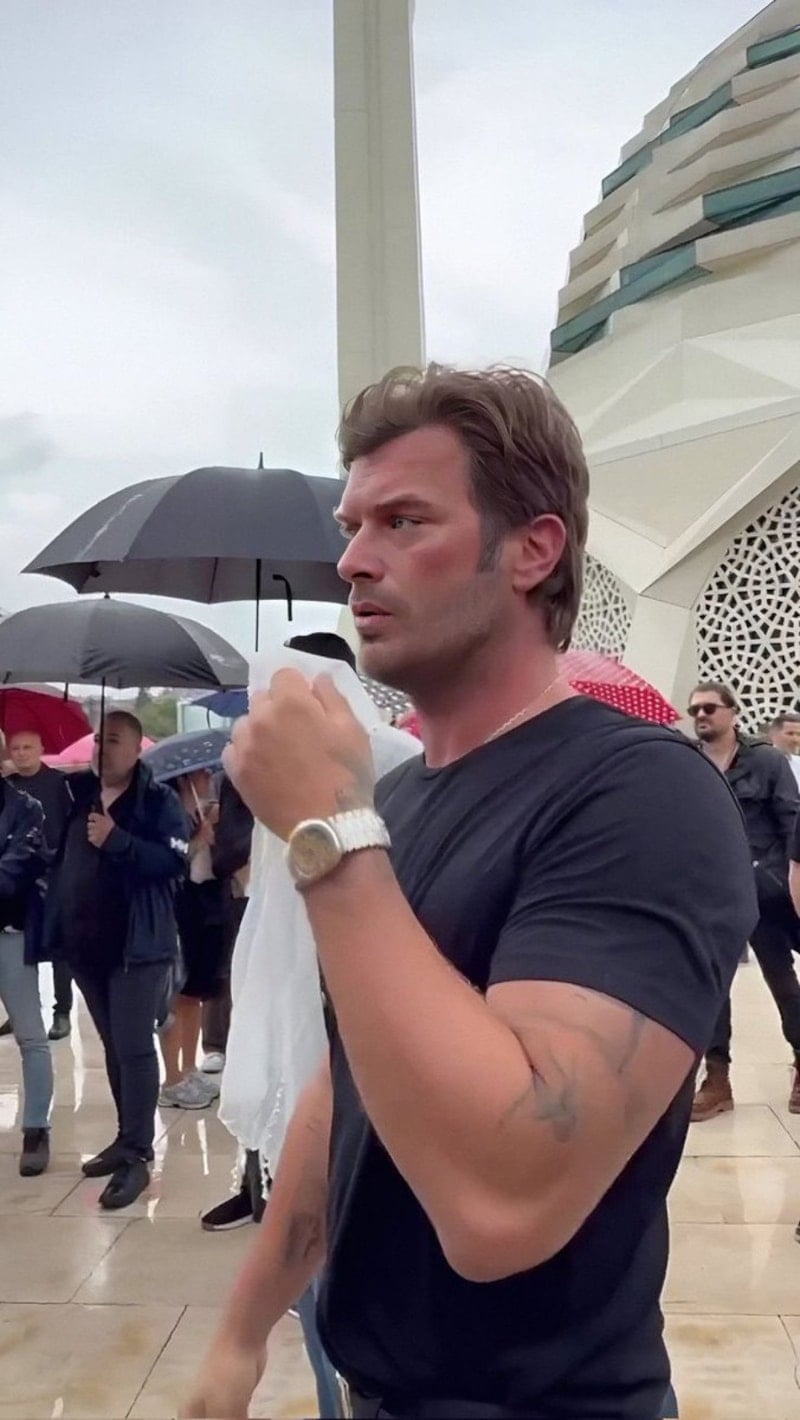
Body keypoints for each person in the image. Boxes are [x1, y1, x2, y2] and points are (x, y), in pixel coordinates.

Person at [183, 364, 756, 1420]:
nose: (354, 559)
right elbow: (348, 1087)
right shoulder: (396, 803)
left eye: (404, 520)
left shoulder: (641, 794)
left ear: (532, 549)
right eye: (353, 526)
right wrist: (241, 1332)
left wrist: (328, 835)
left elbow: (506, 1203)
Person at [42, 711, 190, 1210]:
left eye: (114, 740)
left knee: (134, 1047)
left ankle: (138, 1156)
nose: (102, 750)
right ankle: (126, 1137)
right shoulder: (79, 795)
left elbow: (173, 862)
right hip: (87, 947)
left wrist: (118, 839)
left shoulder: (158, 801)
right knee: (112, 1046)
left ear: (136, 748)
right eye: (98, 741)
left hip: (137, 946)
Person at [689, 683, 800, 1120]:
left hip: (764, 893)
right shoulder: (690, 762)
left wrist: (778, 877)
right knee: (713, 987)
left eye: (709, 708)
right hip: (711, 894)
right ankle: (717, 1079)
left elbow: (791, 821)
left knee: (781, 979)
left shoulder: (767, 761)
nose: (701, 716)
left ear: (732, 712)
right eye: (695, 710)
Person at [159, 768, 226, 1111]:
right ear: (185, 780)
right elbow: (168, 863)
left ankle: (189, 1068)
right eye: (200, 776)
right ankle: (171, 1079)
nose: (207, 780)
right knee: (177, 996)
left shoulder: (200, 811)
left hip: (204, 906)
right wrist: (198, 839)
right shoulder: (168, 814)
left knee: (195, 994)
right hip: (177, 909)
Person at [6, 729, 74, 1040]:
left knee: (59, 947)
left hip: (56, 874)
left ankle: (62, 1011)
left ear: (40, 749)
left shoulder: (60, 783)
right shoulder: (9, 787)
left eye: (27, 747)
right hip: (18, 879)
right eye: (16, 748)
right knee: (20, 949)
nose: (22, 753)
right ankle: (22, 1010)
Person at [0, 777, 51, 1177]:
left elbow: (14, 873)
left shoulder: (25, 808)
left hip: (10, 932)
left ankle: (35, 1129)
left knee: (31, 1036)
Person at [199, 772, 253, 1074]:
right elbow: (225, 852)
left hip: (268, 885)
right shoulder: (228, 783)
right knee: (225, 965)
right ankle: (216, 1044)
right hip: (234, 887)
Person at [769, 711, 800, 790]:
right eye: (790, 734)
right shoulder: (760, 762)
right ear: (773, 735)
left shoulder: (798, 763)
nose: (796, 739)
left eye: (799, 735)